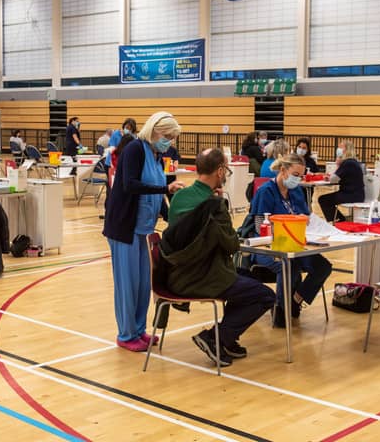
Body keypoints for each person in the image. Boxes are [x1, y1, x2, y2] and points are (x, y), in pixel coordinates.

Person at [163, 148, 275, 366]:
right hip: (205, 276)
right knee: (265, 295)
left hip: (177, 273)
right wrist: (222, 207)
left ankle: (228, 339)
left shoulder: (179, 197)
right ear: (220, 171)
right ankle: (216, 337)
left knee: (245, 280)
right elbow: (232, 245)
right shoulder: (214, 206)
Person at [103, 112, 185, 352]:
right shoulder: (135, 150)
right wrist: (164, 187)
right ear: (154, 130)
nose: (169, 141)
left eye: (172, 138)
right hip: (125, 228)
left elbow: (157, 194)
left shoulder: (156, 156)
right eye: (167, 136)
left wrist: (173, 215)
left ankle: (139, 330)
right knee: (127, 284)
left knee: (141, 284)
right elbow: (130, 184)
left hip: (144, 229)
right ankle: (126, 334)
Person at [250, 153, 332, 327]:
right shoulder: (266, 191)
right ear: (283, 170)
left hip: (295, 243)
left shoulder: (295, 191)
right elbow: (259, 226)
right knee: (288, 264)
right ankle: (281, 308)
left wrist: (305, 219)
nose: (298, 179)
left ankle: (295, 300)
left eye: (301, 176)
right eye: (295, 175)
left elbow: (305, 215)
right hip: (267, 245)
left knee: (323, 266)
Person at [318, 140, 365, 222]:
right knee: (326, 199)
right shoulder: (353, 162)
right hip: (356, 194)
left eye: (340, 147)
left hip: (351, 195)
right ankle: (340, 220)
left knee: (323, 199)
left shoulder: (347, 163)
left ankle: (340, 221)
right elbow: (338, 177)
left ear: (347, 149)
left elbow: (333, 180)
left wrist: (338, 165)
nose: (338, 149)